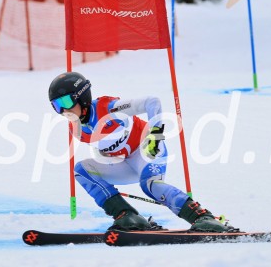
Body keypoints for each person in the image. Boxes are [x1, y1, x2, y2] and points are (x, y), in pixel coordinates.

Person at [48, 71, 230, 232]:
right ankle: (126, 215)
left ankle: (202, 217)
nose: (63, 110)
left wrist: (155, 134)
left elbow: (152, 102)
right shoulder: (77, 129)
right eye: (56, 106)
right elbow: (108, 148)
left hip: (147, 150)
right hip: (126, 162)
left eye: (66, 102)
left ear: (82, 96)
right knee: (82, 170)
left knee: (151, 186)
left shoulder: (109, 108)